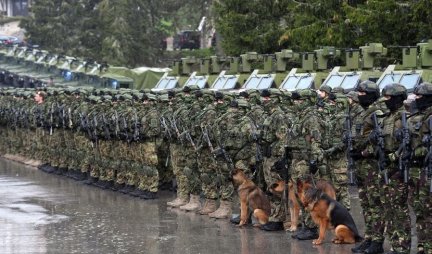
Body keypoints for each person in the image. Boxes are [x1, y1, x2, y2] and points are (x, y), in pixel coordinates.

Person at [407, 82, 432, 254]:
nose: (416, 99)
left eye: (420, 97)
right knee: (419, 209)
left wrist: (419, 151)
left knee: (428, 210)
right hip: (417, 170)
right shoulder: (421, 117)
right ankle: (423, 246)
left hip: (428, 170)